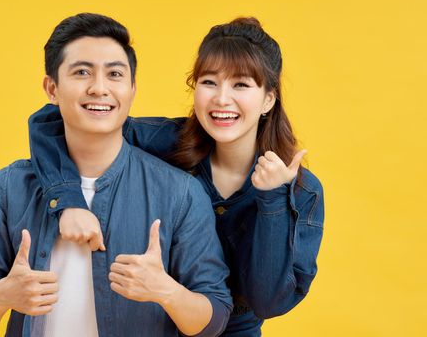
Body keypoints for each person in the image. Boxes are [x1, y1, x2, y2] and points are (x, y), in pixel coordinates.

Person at [29, 17, 325, 336]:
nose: (222, 99)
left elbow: (267, 302)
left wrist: (272, 202)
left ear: (268, 98)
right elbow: (54, 120)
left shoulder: (301, 192)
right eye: (209, 82)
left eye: (241, 84)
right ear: (193, 87)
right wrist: (68, 201)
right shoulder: (164, 142)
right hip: (154, 322)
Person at [0, 13, 233, 337]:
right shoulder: (9, 187)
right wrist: (2, 295)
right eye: (82, 72)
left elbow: (214, 319)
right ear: (52, 88)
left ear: (131, 89)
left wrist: (166, 291)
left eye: (114, 74)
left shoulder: (179, 193)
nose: (99, 88)